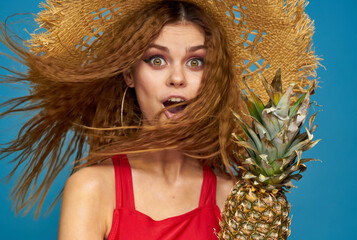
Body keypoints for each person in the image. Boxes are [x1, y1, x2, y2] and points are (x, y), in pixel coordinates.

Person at [0, 0, 318, 239]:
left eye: (196, 61)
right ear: (129, 73)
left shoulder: (234, 196)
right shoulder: (91, 189)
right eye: (156, 60)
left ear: (213, 77)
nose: (177, 77)